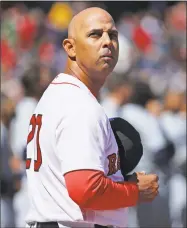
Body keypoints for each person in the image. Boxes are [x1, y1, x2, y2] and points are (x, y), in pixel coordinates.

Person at [25, 7, 159, 228]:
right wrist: (136, 191)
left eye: (112, 35)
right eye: (95, 34)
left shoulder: (58, 94)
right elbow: (85, 188)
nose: (107, 42)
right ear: (70, 48)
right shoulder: (79, 104)